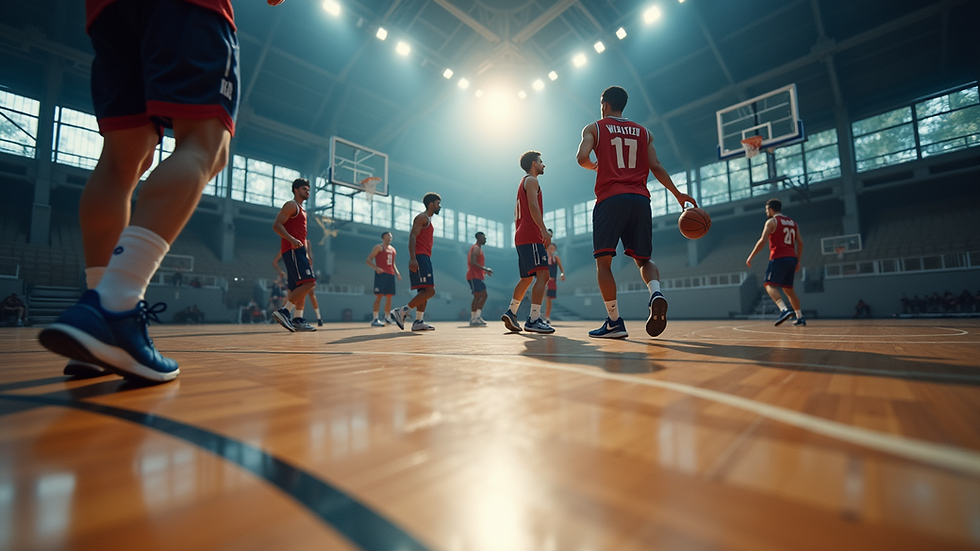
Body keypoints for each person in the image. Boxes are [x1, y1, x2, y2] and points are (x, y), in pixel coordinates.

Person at [39, 0, 245, 382]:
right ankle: (115, 305)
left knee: (121, 160)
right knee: (206, 145)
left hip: (106, 11)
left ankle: (94, 328)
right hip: (189, 8)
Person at [576, 86, 696, 339]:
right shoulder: (644, 132)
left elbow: (581, 157)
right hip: (640, 199)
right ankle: (656, 293)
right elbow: (656, 165)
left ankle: (614, 322)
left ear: (604, 104)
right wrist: (678, 194)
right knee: (644, 260)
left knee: (604, 264)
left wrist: (595, 166)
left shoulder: (594, 128)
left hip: (610, 199)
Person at [501, 151, 554, 334]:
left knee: (526, 278)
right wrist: (543, 230)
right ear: (533, 163)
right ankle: (534, 319)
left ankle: (512, 311)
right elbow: (533, 205)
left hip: (521, 235)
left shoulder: (522, 183)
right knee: (543, 275)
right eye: (541, 161)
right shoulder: (531, 180)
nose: (543, 165)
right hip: (530, 234)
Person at [746, 198, 806, 326]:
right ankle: (800, 317)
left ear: (771, 209)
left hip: (778, 257)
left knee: (769, 285)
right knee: (788, 289)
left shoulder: (772, 222)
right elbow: (800, 243)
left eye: (767, 209)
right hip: (792, 258)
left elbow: (762, 241)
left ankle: (783, 310)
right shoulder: (793, 223)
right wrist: (798, 261)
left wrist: (751, 256)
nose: (766, 212)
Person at [390, 193, 441, 332]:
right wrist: (413, 258)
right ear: (431, 204)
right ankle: (402, 311)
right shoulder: (422, 217)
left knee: (423, 291)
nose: (439, 206)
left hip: (425, 257)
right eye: (437, 203)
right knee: (430, 291)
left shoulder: (428, 220)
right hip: (420, 256)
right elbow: (412, 236)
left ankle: (418, 321)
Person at [271, 178, 317, 332]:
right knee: (309, 283)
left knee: (301, 286)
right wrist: (291, 239)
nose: (307, 191)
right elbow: (276, 225)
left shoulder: (303, 210)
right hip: (292, 249)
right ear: (296, 190)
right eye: (304, 189)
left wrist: (306, 253)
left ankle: (298, 319)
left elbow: (301, 234)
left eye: (308, 189)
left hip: (299, 250)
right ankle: (284, 311)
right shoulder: (291, 205)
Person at [272, 240, 323, 326]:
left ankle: (299, 317)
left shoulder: (306, 243)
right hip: (295, 274)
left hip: (303, 272)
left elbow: (310, 260)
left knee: (304, 294)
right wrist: (280, 272)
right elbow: (275, 262)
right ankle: (285, 314)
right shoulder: (290, 245)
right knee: (295, 296)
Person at [366, 231, 401, 327]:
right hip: (381, 274)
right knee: (379, 296)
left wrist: (397, 273)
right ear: (383, 238)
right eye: (388, 236)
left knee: (389, 297)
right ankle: (375, 319)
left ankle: (387, 317)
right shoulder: (379, 247)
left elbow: (393, 263)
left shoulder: (393, 250)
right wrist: (376, 268)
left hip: (390, 275)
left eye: (391, 236)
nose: (390, 237)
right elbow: (368, 259)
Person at [466, 231, 493, 327]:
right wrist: (485, 269)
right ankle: (473, 319)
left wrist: (485, 271)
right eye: (483, 237)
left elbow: (478, 264)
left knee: (484, 295)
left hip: (479, 276)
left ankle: (478, 316)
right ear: (479, 238)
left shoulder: (479, 249)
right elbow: (472, 262)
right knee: (477, 296)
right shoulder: (476, 248)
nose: (485, 239)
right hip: (473, 276)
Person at [545, 229, 565, 325]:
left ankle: (547, 317)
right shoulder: (543, 255)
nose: (552, 249)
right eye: (551, 247)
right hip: (543, 280)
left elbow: (561, 268)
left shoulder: (556, 257)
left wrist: (562, 274)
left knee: (549, 300)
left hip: (552, 281)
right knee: (540, 298)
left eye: (554, 248)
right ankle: (536, 315)